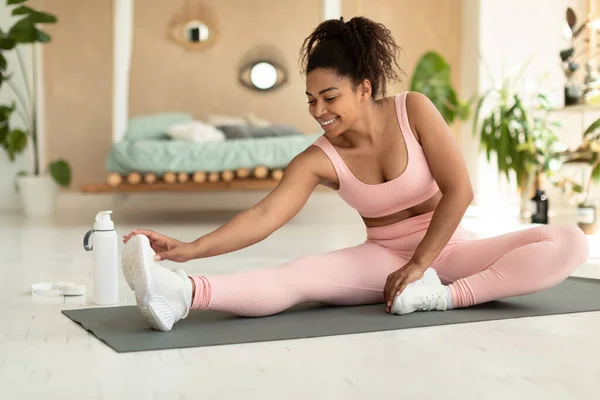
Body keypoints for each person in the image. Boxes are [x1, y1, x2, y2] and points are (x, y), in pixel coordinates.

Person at [122, 17, 589, 332]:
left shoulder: (414, 110)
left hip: (452, 250)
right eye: (310, 99)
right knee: (297, 276)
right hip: (383, 259)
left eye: (329, 96)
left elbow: (459, 190)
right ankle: (181, 296)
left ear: (364, 89)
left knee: (570, 242)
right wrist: (191, 250)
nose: (318, 110)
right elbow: (264, 215)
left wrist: (422, 268)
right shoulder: (316, 158)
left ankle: (446, 299)